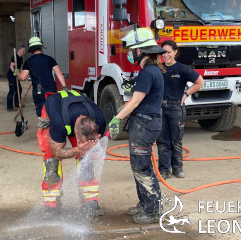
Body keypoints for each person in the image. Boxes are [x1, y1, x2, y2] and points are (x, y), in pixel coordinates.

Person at [108, 28, 166, 224]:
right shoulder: (149, 71)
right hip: (144, 123)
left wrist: (117, 119)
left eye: (131, 50)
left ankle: (152, 211)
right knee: (138, 166)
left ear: (140, 51)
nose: (129, 53)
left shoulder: (148, 72)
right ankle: (144, 204)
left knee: (142, 168)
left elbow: (134, 102)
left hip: (145, 124)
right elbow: (138, 97)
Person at [37, 90, 106, 216]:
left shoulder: (100, 121)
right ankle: (51, 204)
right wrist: (78, 149)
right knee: (51, 161)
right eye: (82, 141)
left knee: (87, 158)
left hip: (74, 113)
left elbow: (96, 142)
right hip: (55, 109)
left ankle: (90, 200)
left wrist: (86, 149)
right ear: (75, 133)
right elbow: (57, 152)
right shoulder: (58, 123)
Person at [156, 40, 204, 180]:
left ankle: (177, 168)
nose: (166, 55)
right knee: (163, 141)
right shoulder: (159, 69)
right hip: (161, 109)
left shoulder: (182, 69)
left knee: (176, 140)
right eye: (163, 52)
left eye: (169, 52)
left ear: (175, 52)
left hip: (176, 108)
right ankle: (164, 170)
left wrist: (186, 94)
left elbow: (199, 82)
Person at [15, 37, 67, 117]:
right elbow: (58, 73)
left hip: (39, 91)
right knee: (53, 110)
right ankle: (53, 126)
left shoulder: (28, 61)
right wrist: (64, 86)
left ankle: (45, 127)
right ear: (40, 47)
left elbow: (23, 77)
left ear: (31, 48)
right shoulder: (49, 59)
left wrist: (17, 72)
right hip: (51, 89)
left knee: (42, 113)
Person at [7, 45, 26, 111]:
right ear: (20, 50)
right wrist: (16, 74)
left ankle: (17, 103)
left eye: (24, 51)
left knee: (19, 89)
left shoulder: (21, 58)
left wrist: (20, 75)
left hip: (17, 75)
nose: (24, 52)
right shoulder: (14, 57)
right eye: (23, 51)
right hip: (12, 76)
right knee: (12, 91)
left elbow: (20, 68)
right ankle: (9, 107)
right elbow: (11, 67)